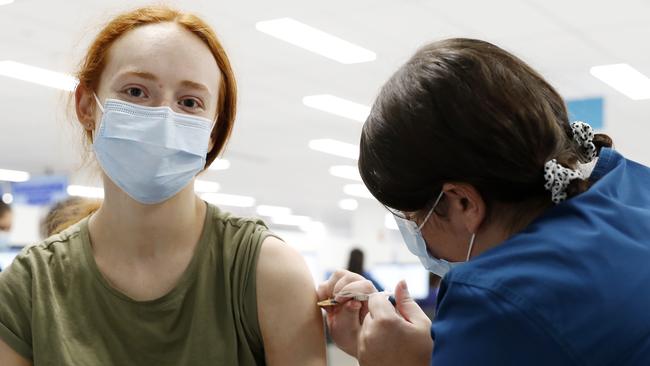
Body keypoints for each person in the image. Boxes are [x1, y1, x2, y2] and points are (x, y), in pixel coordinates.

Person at [0, 6, 325, 366]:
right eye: (136, 92)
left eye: (189, 102)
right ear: (85, 105)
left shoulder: (268, 273)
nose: (163, 119)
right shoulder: (28, 288)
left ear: (212, 132)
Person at [318, 38, 650, 365]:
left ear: (463, 202)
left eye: (414, 219)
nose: (417, 238)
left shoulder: (492, 300)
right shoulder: (633, 187)